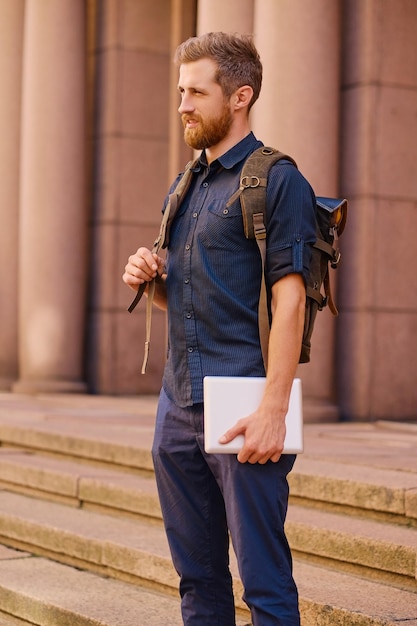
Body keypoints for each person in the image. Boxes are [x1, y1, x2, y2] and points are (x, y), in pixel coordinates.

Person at [123, 32, 316, 626]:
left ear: (240, 96)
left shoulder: (277, 181)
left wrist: (273, 410)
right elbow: (177, 298)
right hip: (177, 405)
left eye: (197, 92)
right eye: (181, 91)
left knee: (264, 583)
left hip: (241, 405)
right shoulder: (184, 186)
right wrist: (146, 278)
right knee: (197, 580)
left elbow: (291, 301)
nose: (182, 104)